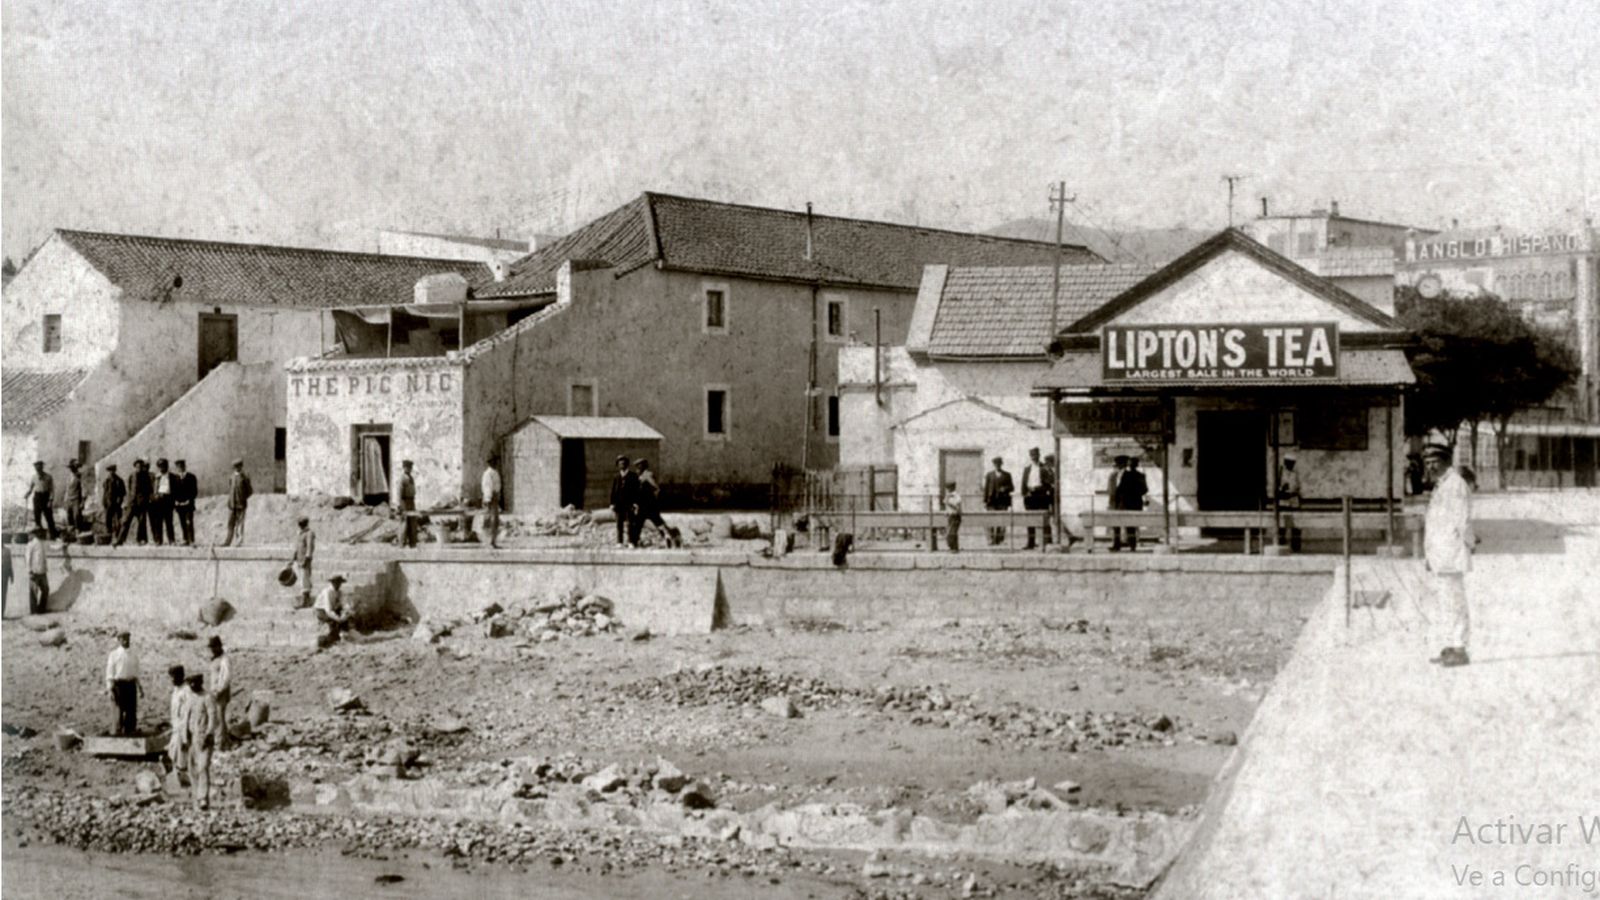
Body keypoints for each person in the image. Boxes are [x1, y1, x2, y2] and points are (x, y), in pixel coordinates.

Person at [1424, 444, 1475, 668]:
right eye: (1427, 462)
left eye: (1434, 461)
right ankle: (1451, 645)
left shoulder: (1455, 485)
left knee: (1454, 602)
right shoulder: (1443, 485)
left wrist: (1469, 545)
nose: (1430, 466)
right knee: (1446, 602)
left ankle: (1460, 648)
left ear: (1446, 460)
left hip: (1451, 554)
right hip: (1441, 554)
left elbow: (1463, 521)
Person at [181, 674, 217, 809]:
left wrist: (209, 734)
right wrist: (184, 739)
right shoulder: (190, 698)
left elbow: (213, 717)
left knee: (203, 767)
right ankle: (197, 795)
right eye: (190, 683)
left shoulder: (207, 697)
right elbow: (185, 719)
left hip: (204, 737)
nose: (191, 686)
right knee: (192, 769)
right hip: (192, 738)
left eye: (194, 683)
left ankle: (203, 798)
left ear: (200, 683)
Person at [105, 630, 141, 736]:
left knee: (131, 710)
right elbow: (110, 673)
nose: (125, 640)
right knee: (118, 710)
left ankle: (130, 731)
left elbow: (136, 671)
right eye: (123, 638)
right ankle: (117, 732)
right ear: (119, 640)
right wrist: (110, 689)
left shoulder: (133, 654)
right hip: (118, 685)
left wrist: (140, 687)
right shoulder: (114, 654)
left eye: (127, 638)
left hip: (131, 684)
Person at [629, 459, 669, 546]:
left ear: (643, 466)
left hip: (648, 504)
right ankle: (666, 536)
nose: (637, 468)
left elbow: (656, 487)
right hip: (644, 504)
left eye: (639, 466)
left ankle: (634, 541)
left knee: (640, 523)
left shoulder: (647, 475)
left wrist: (654, 498)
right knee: (654, 522)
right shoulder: (641, 476)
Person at [1114, 457, 1149, 551]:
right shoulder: (1141, 475)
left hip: (1126, 503)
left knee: (1120, 523)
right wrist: (1136, 493)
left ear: (1130, 465)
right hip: (1137, 503)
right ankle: (1132, 545)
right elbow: (1145, 490)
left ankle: (1119, 545)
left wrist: (1120, 497)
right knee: (1132, 526)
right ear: (1137, 465)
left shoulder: (1126, 475)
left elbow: (1120, 489)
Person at [116, 459, 153, 546]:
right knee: (125, 521)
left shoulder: (146, 476)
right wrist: (128, 501)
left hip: (142, 503)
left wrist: (145, 499)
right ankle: (120, 540)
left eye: (140, 466)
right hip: (132, 503)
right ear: (135, 467)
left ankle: (141, 540)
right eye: (137, 467)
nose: (139, 468)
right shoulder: (132, 476)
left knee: (141, 522)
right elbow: (129, 488)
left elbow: (149, 489)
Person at [1021, 448, 1053, 550]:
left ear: (1039, 455)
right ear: (1030, 456)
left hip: (1041, 496)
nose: (1034, 457)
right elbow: (1023, 484)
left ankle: (1047, 542)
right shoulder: (1027, 469)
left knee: (1044, 520)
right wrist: (1025, 494)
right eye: (1032, 455)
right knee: (1030, 520)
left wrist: (1038, 488)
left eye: (1036, 455)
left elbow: (1049, 484)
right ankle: (1031, 543)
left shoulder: (1045, 467)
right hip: (1030, 498)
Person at [208, 636, 233, 750]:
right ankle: (225, 741)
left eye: (214, 647)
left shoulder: (225, 659)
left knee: (219, 717)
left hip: (220, 692)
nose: (212, 649)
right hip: (214, 691)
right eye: (211, 647)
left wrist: (219, 690)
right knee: (218, 717)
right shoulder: (215, 659)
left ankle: (220, 744)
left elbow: (226, 678)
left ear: (219, 646)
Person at [164, 665, 189, 780]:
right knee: (173, 751)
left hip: (183, 727)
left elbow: (187, 712)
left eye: (173, 677)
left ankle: (181, 776)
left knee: (180, 753)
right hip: (176, 726)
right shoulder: (176, 690)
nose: (171, 680)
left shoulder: (186, 691)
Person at [982, 456, 1014, 546]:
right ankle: (991, 539)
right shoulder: (989, 475)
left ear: (1001, 464)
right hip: (991, 501)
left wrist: (1005, 488)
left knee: (1002, 520)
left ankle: (1000, 539)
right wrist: (984, 501)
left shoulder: (1007, 475)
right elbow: (986, 488)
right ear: (993, 465)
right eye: (996, 464)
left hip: (1003, 502)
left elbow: (1012, 487)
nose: (997, 465)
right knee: (991, 520)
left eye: (999, 464)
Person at [314, 574, 351, 649]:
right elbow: (328, 610)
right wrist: (338, 619)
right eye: (335, 582)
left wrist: (345, 615)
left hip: (333, 609)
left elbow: (345, 605)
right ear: (332, 583)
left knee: (345, 619)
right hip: (321, 610)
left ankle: (344, 636)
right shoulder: (327, 592)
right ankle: (331, 639)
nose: (337, 584)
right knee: (333, 621)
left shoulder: (341, 592)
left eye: (339, 583)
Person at [222, 459, 252, 547]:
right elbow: (230, 489)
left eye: (238, 466)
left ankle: (239, 542)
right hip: (232, 505)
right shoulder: (231, 477)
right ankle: (227, 541)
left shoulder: (244, 477)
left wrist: (242, 498)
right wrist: (230, 500)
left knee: (240, 524)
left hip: (241, 505)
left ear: (241, 466)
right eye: (235, 467)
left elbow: (250, 491)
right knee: (230, 523)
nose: (236, 468)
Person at [1276, 454, 1303, 552]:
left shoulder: (1295, 473)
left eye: (1292, 463)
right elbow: (1277, 489)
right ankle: (1281, 545)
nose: (1291, 465)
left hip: (1294, 500)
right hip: (1283, 501)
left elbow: (1298, 487)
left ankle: (1296, 547)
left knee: (1296, 525)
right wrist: (1282, 489)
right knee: (1282, 525)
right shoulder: (1280, 473)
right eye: (1289, 462)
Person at [609, 455, 636, 548]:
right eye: (620, 464)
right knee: (619, 523)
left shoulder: (633, 476)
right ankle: (619, 542)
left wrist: (635, 503)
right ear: (618, 465)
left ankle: (631, 542)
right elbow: (613, 491)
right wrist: (612, 503)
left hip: (629, 504)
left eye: (624, 463)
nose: (622, 465)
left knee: (630, 523)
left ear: (627, 464)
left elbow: (636, 491)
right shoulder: (616, 477)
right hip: (619, 504)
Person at [28, 461, 57, 538]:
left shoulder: (48, 477)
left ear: (42, 468)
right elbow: (31, 488)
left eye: (39, 468)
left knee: (49, 516)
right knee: (37, 516)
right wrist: (27, 494)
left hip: (45, 497)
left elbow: (52, 490)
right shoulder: (34, 477)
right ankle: (40, 535)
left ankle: (53, 535)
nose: (38, 470)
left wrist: (50, 500)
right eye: (36, 468)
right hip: (37, 497)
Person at [173, 460, 198, 546]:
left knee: (189, 522)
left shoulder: (191, 477)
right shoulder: (175, 478)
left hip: (188, 505)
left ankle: (191, 540)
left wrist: (189, 500)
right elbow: (173, 492)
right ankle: (185, 539)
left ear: (184, 466)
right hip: (179, 505)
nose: (180, 468)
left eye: (181, 466)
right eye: (178, 467)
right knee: (182, 522)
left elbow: (194, 491)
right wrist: (175, 501)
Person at [151, 458, 175, 546]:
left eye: (164, 466)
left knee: (169, 522)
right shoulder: (156, 477)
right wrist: (155, 496)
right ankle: (158, 540)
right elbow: (153, 489)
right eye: (160, 466)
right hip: (158, 501)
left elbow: (175, 490)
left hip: (168, 500)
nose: (162, 468)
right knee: (158, 522)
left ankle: (171, 540)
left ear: (167, 466)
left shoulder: (172, 477)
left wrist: (173, 500)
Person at [1107, 455, 1130, 550]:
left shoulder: (1129, 475)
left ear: (1124, 464)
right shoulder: (1113, 475)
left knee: (1128, 524)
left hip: (1125, 503)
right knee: (1115, 525)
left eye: (1120, 464)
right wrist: (1110, 503)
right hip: (1114, 503)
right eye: (1117, 464)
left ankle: (1128, 542)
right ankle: (1116, 544)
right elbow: (1110, 489)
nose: (1118, 466)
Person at [293, 516, 316, 607]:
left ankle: (305, 600)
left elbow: (310, 547)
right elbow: (297, 546)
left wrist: (307, 558)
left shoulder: (309, 533)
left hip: (305, 560)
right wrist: (293, 557)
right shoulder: (299, 533)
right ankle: (304, 599)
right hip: (299, 559)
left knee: (305, 579)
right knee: (301, 579)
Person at [26, 528, 50, 614]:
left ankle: (40, 609)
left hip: (42, 571)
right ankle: (34, 611)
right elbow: (28, 558)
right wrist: (29, 570)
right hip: (35, 571)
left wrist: (62, 546)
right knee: (34, 592)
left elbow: (51, 548)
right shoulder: (31, 544)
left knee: (45, 590)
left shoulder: (41, 543)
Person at [480, 456, 502, 549]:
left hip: (495, 497)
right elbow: (487, 487)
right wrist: (488, 499)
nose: (495, 463)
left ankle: (493, 541)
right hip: (490, 498)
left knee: (495, 521)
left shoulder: (495, 472)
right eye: (493, 462)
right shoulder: (488, 474)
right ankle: (488, 541)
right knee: (489, 520)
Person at [100, 463, 126, 541]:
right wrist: (104, 501)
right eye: (110, 471)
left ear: (115, 471)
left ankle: (118, 536)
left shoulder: (119, 480)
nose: (111, 472)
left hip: (116, 503)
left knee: (118, 519)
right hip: (108, 502)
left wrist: (120, 500)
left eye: (112, 470)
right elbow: (105, 492)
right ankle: (109, 534)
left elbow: (123, 492)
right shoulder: (106, 481)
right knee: (108, 519)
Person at [396, 460, 418, 548]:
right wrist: (400, 505)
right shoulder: (402, 478)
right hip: (404, 501)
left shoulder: (411, 478)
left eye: (410, 468)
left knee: (412, 522)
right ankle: (401, 543)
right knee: (404, 523)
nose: (409, 469)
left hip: (411, 501)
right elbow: (399, 493)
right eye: (407, 467)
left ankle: (412, 543)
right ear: (404, 468)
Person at [63, 458, 87, 535]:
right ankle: (71, 530)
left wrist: (83, 501)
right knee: (69, 514)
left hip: (76, 499)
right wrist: (65, 499)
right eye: (70, 468)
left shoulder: (80, 476)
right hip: (69, 499)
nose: (71, 469)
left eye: (72, 467)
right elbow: (67, 489)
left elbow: (84, 488)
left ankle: (78, 530)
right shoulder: (68, 477)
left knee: (76, 515)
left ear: (76, 468)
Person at [943, 482, 963, 553]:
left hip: (955, 516)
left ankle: (954, 548)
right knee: (950, 532)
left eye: (948, 488)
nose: (947, 490)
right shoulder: (948, 496)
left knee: (952, 532)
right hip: (950, 516)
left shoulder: (956, 496)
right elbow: (946, 506)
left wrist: (949, 503)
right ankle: (952, 547)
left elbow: (958, 507)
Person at [2, 541, 12, 617]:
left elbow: (9, 564)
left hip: (4, 576)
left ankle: (1, 614)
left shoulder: (7, 551)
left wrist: (11, 575)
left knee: (3, 595)